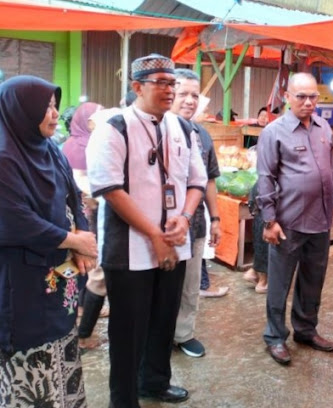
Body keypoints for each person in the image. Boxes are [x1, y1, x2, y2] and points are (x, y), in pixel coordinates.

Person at [86, 54, 207, 407]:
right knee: (128, 330)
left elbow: (197, 181)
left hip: (175, 242)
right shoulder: (114, 128)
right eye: (161, 84)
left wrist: (185, 217)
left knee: (163, 321)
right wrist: (155, 235)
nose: (170, 91)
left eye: (173, 84)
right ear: (137, 87)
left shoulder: (183, 128)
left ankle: (154, 382)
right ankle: (123, 400)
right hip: (130, 249)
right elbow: (110, 189)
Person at [0, 75, 97, 407]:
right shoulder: (5, 158)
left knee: (64, 340)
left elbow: (74, 195)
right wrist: (72, 240)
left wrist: (80, 235)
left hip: (59, 276)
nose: (55, 114)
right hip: (22, 283)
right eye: (45, 107)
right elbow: (13, 220)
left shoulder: (51, 150)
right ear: (21, 111)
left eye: (55, 105)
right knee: (33, 369)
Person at [257, 72, 333, 366]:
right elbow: (265, 177)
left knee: (313, 279)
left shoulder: (323, 128)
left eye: (313, 97)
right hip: (288, 221)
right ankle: (275, 336)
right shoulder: (274, 132)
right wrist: (270, 220)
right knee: (280, 283)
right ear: (287, 97)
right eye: (301, 97)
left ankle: (306, 330)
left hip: (320, 219)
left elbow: (331, 170)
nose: (308, 102)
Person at [170, 68, 226, 358]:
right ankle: (156, 335)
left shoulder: (202, 134)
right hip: (163, 227)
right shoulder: (157, 130)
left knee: (190, 285)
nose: (190, 100)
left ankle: (183, 334)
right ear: (169, 94)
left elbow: (210, 180)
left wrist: (215, 218)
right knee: (161, 285)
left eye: (195, 95)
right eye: (183, 94)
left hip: (195, 225)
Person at [61, 102, 111, 351]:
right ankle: (81, 331)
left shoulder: (84, 142)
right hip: (85, 214)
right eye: (95, 117)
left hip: (88, 212)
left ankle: (81, 311)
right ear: (84, 120)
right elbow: (80, 184)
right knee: (90, 268)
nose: (99, 121)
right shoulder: (79, 147)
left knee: (89, 268)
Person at [243, 183, 269, 293]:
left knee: (260, 227)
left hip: (259, 192)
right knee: (267, 232)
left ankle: (254, 271)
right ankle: (264, 281)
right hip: (268, 197)